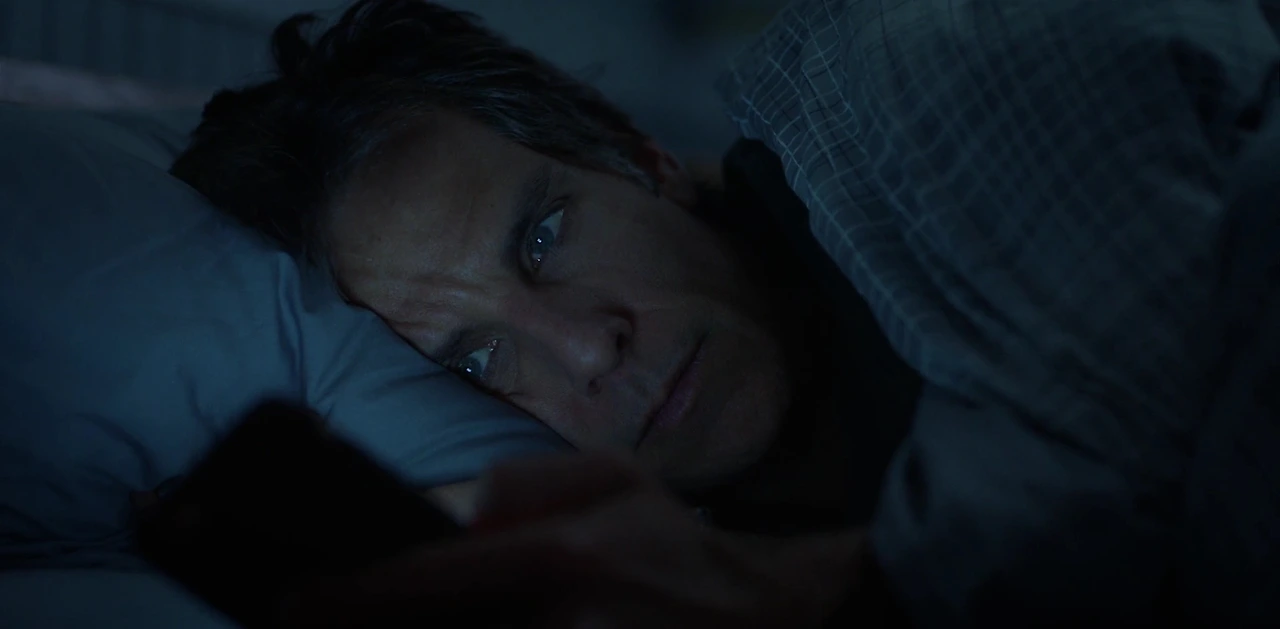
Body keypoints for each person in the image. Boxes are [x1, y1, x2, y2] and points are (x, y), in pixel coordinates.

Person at [170, 0, 1280, 626]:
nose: (584, 345)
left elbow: (1151, 428)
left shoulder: (905, 72)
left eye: (543, 236)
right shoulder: (676, 554)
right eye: (477, 360)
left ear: (635, 152)